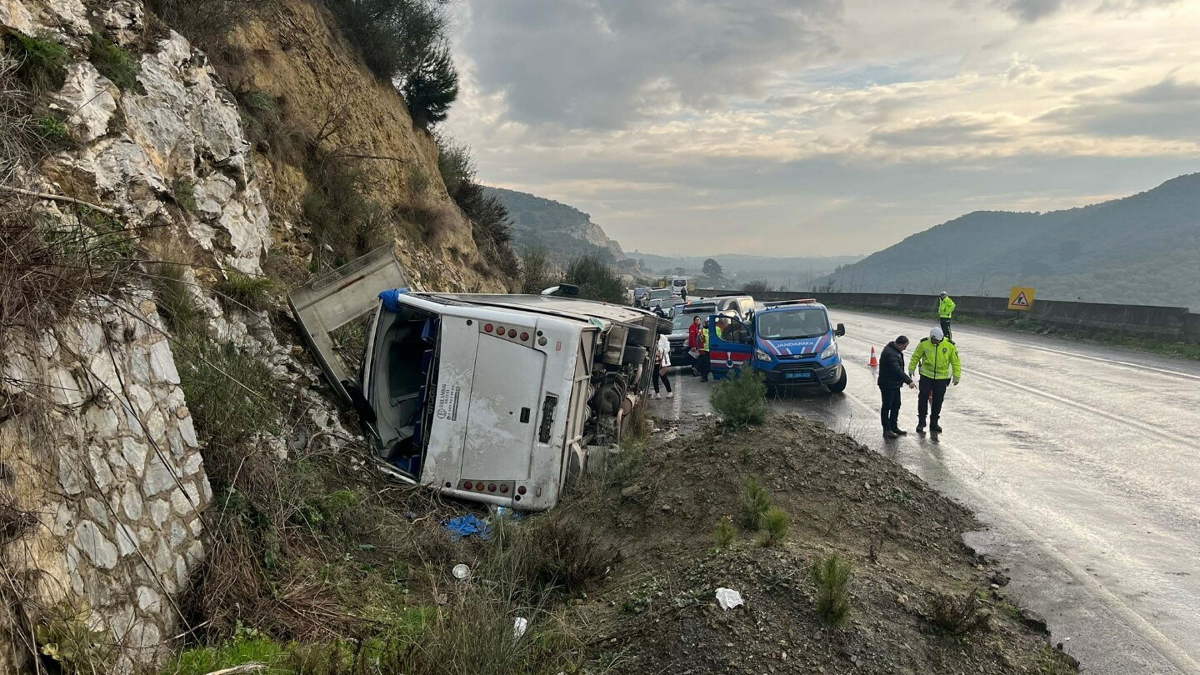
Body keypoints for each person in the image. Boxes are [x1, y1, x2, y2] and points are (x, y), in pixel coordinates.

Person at [908, 327, 961, 436]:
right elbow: (916, 356)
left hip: (941, 378)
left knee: (938, 400)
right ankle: (921, 422)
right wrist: (911, 368)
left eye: (937, 341)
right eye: (934, 340)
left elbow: (955, 362)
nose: (935, 342)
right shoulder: (924, 343)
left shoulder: (949, 345)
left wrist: (957, 375)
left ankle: (934, 422)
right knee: (922, 398)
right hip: (926, 376)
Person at [877, 335, 916, 439]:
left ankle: (893, 427)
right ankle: (887, 429)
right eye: (905, 346)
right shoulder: (890, 354)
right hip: (887, 384)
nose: (905, 349)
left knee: (896, 405)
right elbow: (897, 370)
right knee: (887, 406)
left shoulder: (895, 351)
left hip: (894, 384)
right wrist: (909, 381)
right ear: (900, 344)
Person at [652, 332, 674, 398]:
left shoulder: (663, 338)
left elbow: (667, 348)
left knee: (663, 376)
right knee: (654, 377)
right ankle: (657, 393)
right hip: (653, 361)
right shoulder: (651, 337)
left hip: (662, 361)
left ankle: (670, 392)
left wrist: (660, 351)